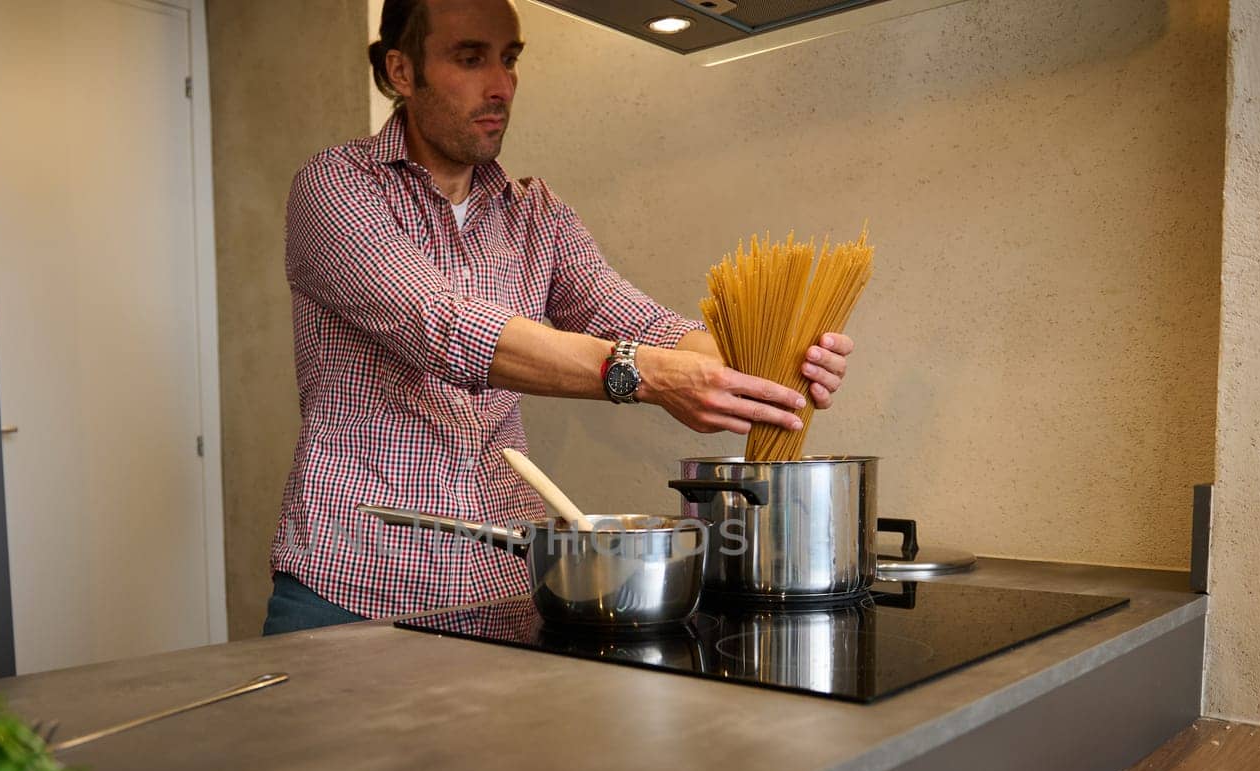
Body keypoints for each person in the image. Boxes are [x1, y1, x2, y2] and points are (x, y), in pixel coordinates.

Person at [262, 0, 854, 636]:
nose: (501, 86)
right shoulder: (335, 187)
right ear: (402, 71)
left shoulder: (534, 212)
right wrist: (644, 376)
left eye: (510, 59)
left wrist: (770, 364)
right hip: (349, 588)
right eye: (470, 58)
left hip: (500, 589)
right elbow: (441, 325)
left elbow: (641, 324)